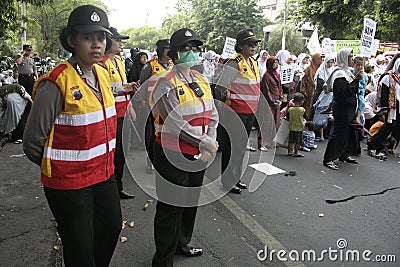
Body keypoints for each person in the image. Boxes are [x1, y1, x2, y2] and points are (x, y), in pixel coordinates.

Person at [23, 5, 122, 266]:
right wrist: (62, 167)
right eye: (88, 37)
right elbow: (32, 142)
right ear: (71, 40)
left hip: (103, 174)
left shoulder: (102, 74)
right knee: (79, 248)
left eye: (101, 38)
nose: (96, 44)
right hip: (70, 185)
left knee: (111, 228)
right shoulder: (56, 82)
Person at [150, 28, 218, 266]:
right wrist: (204, 142)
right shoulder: (164, 82)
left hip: (199, 154)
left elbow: (213, 112)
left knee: (190, 202)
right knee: (171, 207)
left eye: (195, 48)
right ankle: (163, 259)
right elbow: (173, 121)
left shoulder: (201, 79)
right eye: (185, 48)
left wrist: (210, 137)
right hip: (173, 154)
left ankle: (182, 243)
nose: (192, 52)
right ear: (174, 53)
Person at [215, 28, 261, 194]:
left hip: (249, 112)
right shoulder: (234, 63)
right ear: (241, 46)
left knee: (240, 148)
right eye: (250, 44)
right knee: (231, 147)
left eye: (255, 44)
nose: (253, 47)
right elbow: (220, 88)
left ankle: (236, 177)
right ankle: (227, 181)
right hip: (235, 112)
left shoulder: (253, 62)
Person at [99, 26, 138, 199]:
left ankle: (118, 187)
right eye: (117, 40)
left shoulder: (119, 62)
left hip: (123, 112)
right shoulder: (102, 63)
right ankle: (111, 189)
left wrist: (130, 106)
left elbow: (123, 87)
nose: (121, 43)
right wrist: (125, 88)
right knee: (113, 153)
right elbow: (103, 89)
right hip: (111, 114)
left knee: (121, 153)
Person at [323, 48, 362, 170]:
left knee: (348, 132)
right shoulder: (339, 74)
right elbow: (342, 93)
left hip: (349, 108)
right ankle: (329, 158)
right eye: (350, 57)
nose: (352, 59)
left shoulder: (347, 72)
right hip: (343, 108)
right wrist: (356, 81)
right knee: (339, 133)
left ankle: (344, 154)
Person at [139, 38, 172, 173]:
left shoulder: (172, 65)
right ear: (161, 51)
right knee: (152, 134)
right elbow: (143, 84)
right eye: (167, 49)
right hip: (153, 106)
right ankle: (150, 161)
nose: (170, 52)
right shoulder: (150, 66)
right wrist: (142, 101)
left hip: (169, 106)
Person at [367, 55, 400, 159]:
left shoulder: (398, 78)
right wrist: (385, 108)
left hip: (398, 106)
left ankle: (387, 146)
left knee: (395, 127)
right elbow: (383, 94)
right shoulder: (388, 77)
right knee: (387, 127)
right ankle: (372, 145)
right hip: (391, 107)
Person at [258, 56, 282, 151]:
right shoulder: (266, 76)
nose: (276, 64)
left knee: (275, 123)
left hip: (276, 102)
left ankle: (271, 141)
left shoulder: (276, 74)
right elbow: (266, 91)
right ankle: (262, 143)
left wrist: (279, 98)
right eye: (275, 63)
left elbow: (279, 88)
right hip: (269, 103)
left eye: (277, 63)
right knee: (266, 123)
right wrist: (272, 102)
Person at [300, 52, 323, 120]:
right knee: (308, 111)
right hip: (309, 94)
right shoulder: (308, 69)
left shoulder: (322, 69)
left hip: (319, 93)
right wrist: (305, 93)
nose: (319, 61)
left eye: (320, 59)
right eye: (318, 59)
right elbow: (303, 82)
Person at [285, 92, 306, 157]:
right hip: (299, 128)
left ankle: (289, 151)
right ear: (301, 101)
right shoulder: (302, 110)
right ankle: (296, 152)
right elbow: (305, 117)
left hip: (291, 127)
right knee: (298, 141)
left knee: (290, 141)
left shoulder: (290, 109)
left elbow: (287, 117)